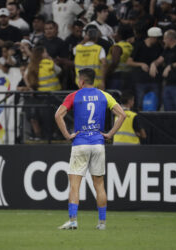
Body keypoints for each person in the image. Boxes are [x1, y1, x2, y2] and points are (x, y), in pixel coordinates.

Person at [55, 68, 126, 230]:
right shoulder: (104, 95)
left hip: (80, 143)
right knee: (99, 185)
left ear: (81, 81)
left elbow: (58, 115)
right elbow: (122, 115)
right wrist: (109, 134)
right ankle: (102, 223)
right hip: (98, 143)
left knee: (74, 185)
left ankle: (73, 221)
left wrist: (67, 134)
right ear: (93, 80)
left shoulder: (74, 96)